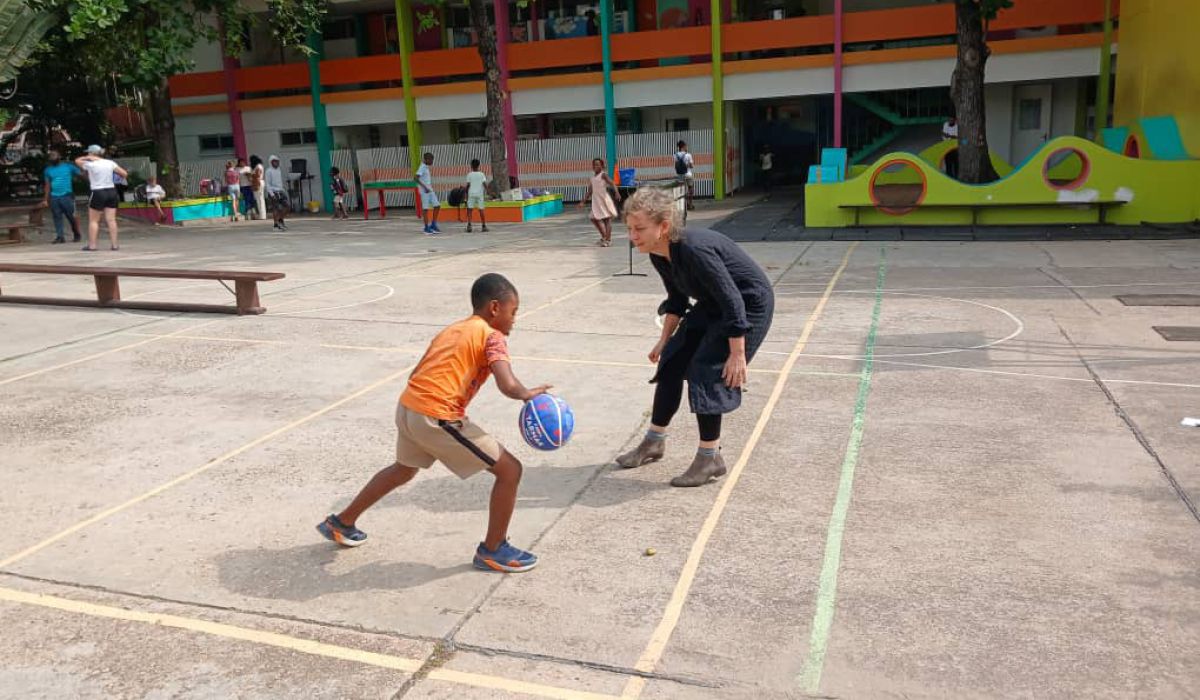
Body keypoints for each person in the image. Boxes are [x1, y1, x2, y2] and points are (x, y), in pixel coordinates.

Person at [316, 273, 550, 573]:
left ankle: (341, 522)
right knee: (510, 470)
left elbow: (418, 369)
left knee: (403, 469)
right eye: (513, 311)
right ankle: (494, 550)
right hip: (436, 414)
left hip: (408, 407)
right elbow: (507, 384)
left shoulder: (453, 330)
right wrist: (528, 394)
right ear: (494, 308)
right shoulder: (492, 336)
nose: (514, 319)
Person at [617, 187, 774, 487]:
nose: (632, 236)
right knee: (673, 360)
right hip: (715, 303)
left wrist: (737, 353)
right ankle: (654, 441)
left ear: (663, 226)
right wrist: (665, 340)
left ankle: (709, 458)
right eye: (629, 228)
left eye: (639, 229)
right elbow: (676, 299)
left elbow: (733, 301)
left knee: (706, 369)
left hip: (748, 305)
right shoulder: (659, 254)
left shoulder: (693, 249)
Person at [75, 145, 127, 251]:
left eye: (88, 153)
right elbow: (124, 173)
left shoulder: (90, 164)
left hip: (98, 191)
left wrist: (87, 158)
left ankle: (92, 245)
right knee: (111, 220)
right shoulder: (110, 163)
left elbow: (77, 161)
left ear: (91, 153)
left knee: (94, 220)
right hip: (111, 191)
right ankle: (115, 245)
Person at [42, 149, 82, 244]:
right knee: (57, 216)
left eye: (54, 156)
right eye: (51, 156)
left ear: (59, 157)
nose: (53, 158)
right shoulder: (48, 170)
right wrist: (45, 199)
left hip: (67, 196)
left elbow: (80, 174)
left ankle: (76, 233)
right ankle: (60, 236)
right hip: (54, 196)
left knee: (71, 217)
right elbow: (47, 185)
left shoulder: (68, 167)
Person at [579, 157, 620, 247]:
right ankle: (604, 237)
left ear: (602, 166)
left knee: (606, 220)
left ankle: (608, 240)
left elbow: (612, 183)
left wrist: (617, 192)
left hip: (603, 200)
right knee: (593, 217)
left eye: (598, 164)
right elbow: (590, 191)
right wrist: (583, 201)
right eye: (594, 164)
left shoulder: (603, 175)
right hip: (596, 201)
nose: (595, 166)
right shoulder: (593, 177)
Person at [416, 152, 441, 235]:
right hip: (424, 191)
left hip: (430, 190)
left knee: (437, 206)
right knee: (425, 209)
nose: (432, 161)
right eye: (431, 159)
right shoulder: (422, 167)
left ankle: (433, 224)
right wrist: (424, 187)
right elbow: (415, 178)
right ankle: (426, 228)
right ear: (426, 159)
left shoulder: (426, 167)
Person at [465, 158, 489, 233]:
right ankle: (484, 226)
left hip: (471, 194)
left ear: (471, 166)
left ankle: (469, 225)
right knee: (481, 210)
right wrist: (488, 191)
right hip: (479, 194)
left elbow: (468, 185)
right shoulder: (482, 174)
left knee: (469, 210)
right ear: (479, 165)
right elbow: (485, 184)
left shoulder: (469, 174)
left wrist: (465, 193)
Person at [265, 155, 288, 231]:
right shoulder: (268, 171)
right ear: (271, 162)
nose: (276, 163)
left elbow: (279, 182)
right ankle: (275, 225)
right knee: (276, 209)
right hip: (273, 192)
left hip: (281, 191)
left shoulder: (279, 170)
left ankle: (280, 220)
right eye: (274, 161)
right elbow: (268, 184)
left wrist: (283, 190)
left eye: (277, 161)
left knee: (287, 207)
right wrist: (272, 194)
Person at [674, 140, 695, 210]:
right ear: (683, 146)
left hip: (680, 175)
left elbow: (676, 165)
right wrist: (687, 165)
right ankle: (690, 204)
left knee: (681, 190)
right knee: (690, 188)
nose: (686, 147)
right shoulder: (688, 155)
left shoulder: (675, 155)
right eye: (686, 146)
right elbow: (691, 166)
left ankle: (682, 205)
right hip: (688, 174)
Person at [250, 155, 267, 221]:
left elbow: (258, 175)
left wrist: (251, 175)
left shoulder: (258, 166)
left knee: (260, 200)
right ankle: (262, 215)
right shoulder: (259, 166)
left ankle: (262, 216)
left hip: (258, 182)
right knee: (259, 200)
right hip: (258, 182)